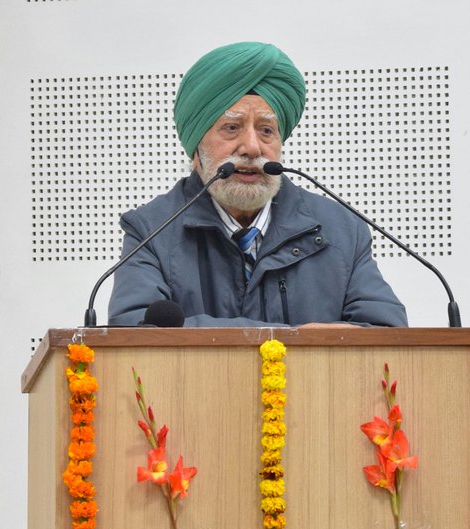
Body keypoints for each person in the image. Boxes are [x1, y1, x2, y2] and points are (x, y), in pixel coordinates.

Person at [108, 41, 407, 327]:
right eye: (231, 128)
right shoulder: (151, 231)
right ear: (196, 152)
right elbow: (134, 330)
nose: (252, 148)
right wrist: (291, 339)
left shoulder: (341, 230)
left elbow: (386, 331)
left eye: (266, 130)